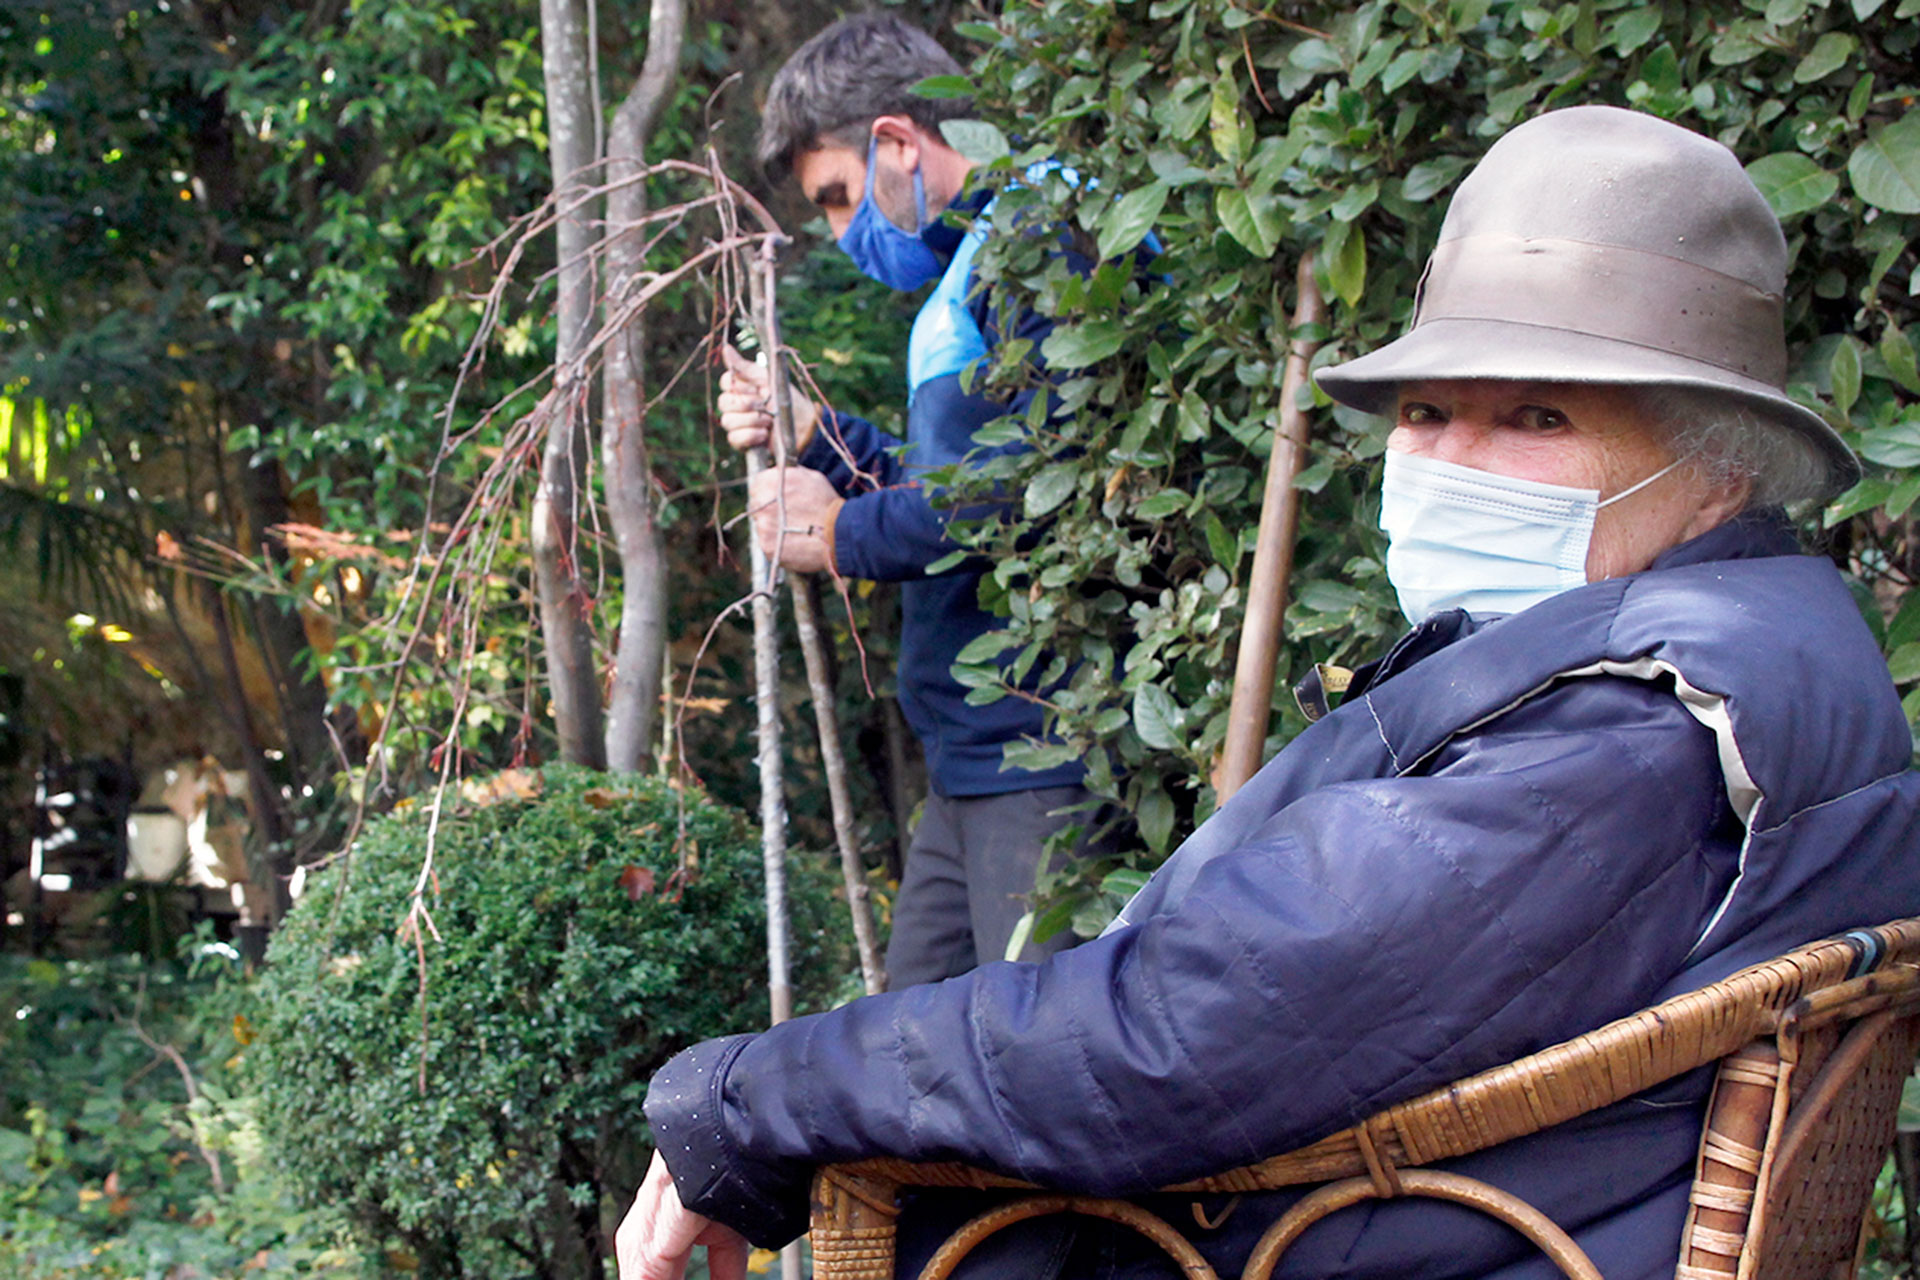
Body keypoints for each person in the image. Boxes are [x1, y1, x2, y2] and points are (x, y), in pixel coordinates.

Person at [620, 106, 1920, 1280]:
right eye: (1425, 409)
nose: (1454, 461)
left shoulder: (1636, 730)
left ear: (1721, 464)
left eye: (1538, 416)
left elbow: (1175, 1033)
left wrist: (748, 1100)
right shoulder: (1766, 639)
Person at [718, 13, 1126, 988]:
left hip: (1048, 751)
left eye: (838, 196)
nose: (839, 232)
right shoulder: (987, 253)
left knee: (1040, 1053)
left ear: (897, 140)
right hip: (975, 759)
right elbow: (964, 480)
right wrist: (819, 437)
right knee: (910, 1045)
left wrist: (839, 532)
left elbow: (1035, 497)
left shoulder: (1046, 238)